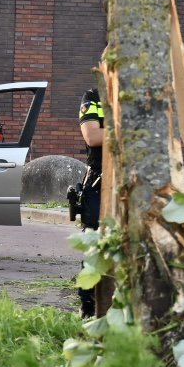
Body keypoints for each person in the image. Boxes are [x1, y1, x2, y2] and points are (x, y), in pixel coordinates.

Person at [75, 86, 106, 318]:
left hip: (132, 184)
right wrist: (134, 132)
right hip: (99, 182)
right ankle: (88, 307)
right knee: (94, 248)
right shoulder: (93, 97)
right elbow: (93, 137)